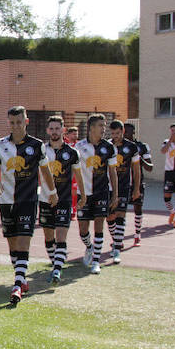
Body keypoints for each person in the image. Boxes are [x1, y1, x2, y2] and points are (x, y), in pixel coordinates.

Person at [0, 106, 57, 305]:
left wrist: (52, 192)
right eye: (12, 122)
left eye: (19, 122)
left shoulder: (36, 145)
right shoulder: (1, 144)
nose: (15, 126)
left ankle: (17, 285)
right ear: (8, 123)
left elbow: (46, 172)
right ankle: (21, 277)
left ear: (26, 121)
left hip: (28, 201)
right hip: (7, 202)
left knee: (23, 240)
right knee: (12, 244)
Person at [39, 116, 84, 283]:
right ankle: (55, 262)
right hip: (45, 199)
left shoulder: (72, 153)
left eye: (58, 128)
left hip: (64, 200)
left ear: (63, 130)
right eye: (52, 129)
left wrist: (83, 195)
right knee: (49, 238)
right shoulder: (41, 150)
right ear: (47, 130)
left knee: (61, 236)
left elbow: (79, 175)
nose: (54, 132)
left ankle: (57, 270)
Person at [74, 114, 118, 274]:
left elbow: (113, 172)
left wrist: (115, 195)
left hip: (102, 192)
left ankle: (96, 262)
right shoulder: (79, 147)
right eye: (101, 125)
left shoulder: (109, 147)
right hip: (83, 194)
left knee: (99, 226)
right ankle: (89, 247)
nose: (103, 128)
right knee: (83, 230)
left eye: (104, 125)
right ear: (91, 127)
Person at [107, 120, 141, 263]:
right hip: (108, 187)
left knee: (120, 214)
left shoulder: (131, 147)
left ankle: (116, 249)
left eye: (118, 133)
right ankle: (117, 240)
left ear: (123, 131)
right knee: (110, 217)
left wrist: (136, 188)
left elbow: (136, 169)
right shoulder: (107, 146)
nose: (115, 136)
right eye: (113, 134)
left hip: (124, 186)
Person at [124, 122, 153, 245]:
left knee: (138, 208)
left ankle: (137, 233)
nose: (124, 134)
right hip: (122, 183)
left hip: (138, 183)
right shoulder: (117, 146)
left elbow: (150, 167)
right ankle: (119, 238)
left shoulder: (142, 146)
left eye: (127, 132)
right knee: (119, 211)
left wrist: (139, 159)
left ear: (133, 132)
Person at [160, 123, 175, 228]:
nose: (174, 132)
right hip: (169, 173)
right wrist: (170, 140)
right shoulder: (166, 142)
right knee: (166, 197)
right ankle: (173, 212)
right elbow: (163, 151)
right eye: (172, 130)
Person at [65, 126, 80, 215]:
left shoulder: (78, 145)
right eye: (73, 134)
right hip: (65, 172)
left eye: (76, 134)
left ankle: (73, 210)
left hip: (75, 172)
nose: (75, 136)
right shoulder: (64, 144)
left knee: (74, 191)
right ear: (68, 135)